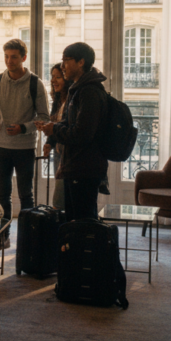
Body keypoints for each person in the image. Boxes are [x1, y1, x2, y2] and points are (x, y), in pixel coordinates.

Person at [38, 42, 108, 221]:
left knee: (83, 223)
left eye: (66, 61)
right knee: (73, 221)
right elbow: (70, 125)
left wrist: (54, 129)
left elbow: (81, 134)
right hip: (75, 166)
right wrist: (54, 130)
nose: (62, 67)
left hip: (84, 168)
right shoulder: (78, 89)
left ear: (81, 62)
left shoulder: (89, 91)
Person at [0, 39, 50, 222]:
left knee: (26, 195)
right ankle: (3, 237)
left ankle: (28, 239)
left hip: (25, 148)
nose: (9, 61)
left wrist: (23, 128)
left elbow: (44, 117)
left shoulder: (36, 83)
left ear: (24, 58)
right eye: (6, 56)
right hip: (0, 147)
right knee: (2, 195)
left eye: (14, 57)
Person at [40, 63, 69, 210]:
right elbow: (54, 124)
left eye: (58, 77)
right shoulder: (58, 99)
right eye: (52, 77)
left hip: (68, 154)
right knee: (60, 197)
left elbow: (64, 127)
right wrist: (49, 144)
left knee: (60, 199)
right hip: (58, 152)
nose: (53, 81)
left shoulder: (72, 99)